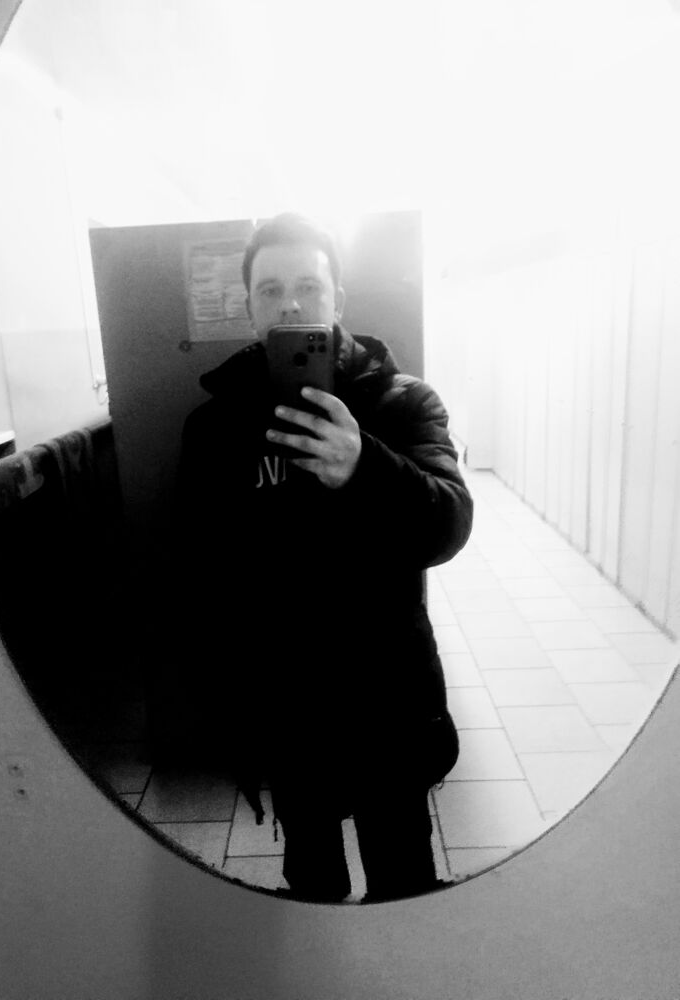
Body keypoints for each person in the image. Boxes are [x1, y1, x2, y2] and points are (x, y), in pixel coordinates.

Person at [173, 213, 473, 903]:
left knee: (402, 877)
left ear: (337, 300)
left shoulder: (404, 403)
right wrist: (225, 691)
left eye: (308, 286)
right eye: (270, 289)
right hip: (285, 700)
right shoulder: (215, 427)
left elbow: (449, 525)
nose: (290, 304)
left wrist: (366, 467)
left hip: (388, 694)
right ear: (249, 307)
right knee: (311, 882)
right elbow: (200, 564)